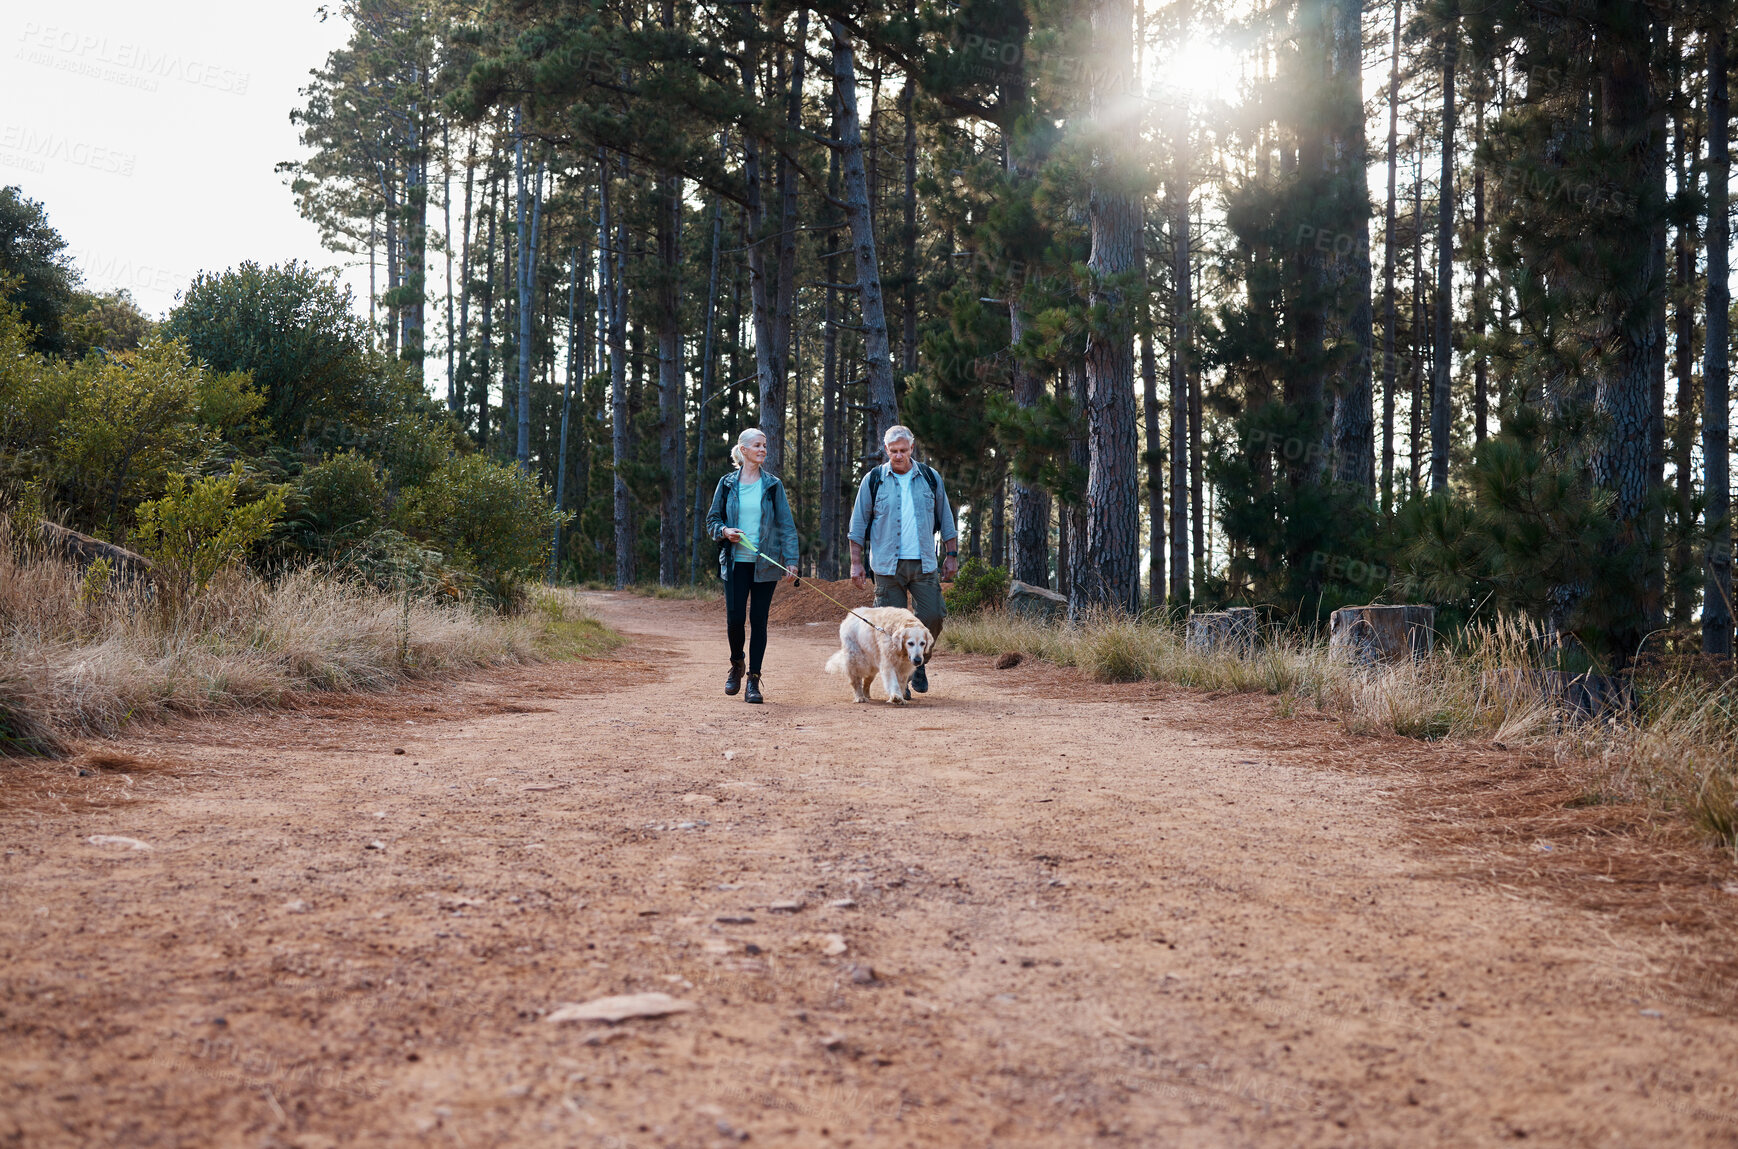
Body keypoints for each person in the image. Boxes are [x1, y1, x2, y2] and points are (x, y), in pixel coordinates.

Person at [847, 425, 960, 695]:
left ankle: (917, 664)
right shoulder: (873, 480)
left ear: (912, 448)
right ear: (886, 450)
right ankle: (899, 680)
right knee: (888, 630)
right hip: (887, 567)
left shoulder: (930, 478)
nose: (898, 455)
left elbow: (946, 518)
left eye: (903, 450)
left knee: (933, 615)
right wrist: (856, 563)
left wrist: (951, 555)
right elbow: (858, 524)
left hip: (923, 563)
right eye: (893, 451)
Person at [705, 428, 798, 704]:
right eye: (757, 445)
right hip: (734, 563)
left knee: (759, 622)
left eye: (765, 445)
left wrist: (791, 559)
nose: (762, 450)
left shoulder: (773, 485)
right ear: (743, 450)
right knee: (735, 619)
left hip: (764, 565)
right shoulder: (727, 484)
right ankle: (737, 664)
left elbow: (786, 525)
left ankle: (753, 681)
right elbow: (712, 520)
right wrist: (724, 531)